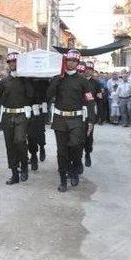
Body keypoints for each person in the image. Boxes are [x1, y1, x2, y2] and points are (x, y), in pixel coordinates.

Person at [46, 50, 95, 192]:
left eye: (74, 61)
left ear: (77, 63)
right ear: (65, 62)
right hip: (60, 119)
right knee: (61, 151)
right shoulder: (58, 78)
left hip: (77, 119)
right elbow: (48, 95)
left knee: (75, 146)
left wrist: (91, 120)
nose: (71, 63)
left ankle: (74, 170)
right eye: (69, 60)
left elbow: (90, 100)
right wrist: (58, 80)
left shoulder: (83, 81)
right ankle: (63, 179)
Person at [0, 52, 34, 185]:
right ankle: (14, 173)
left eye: (15, 62)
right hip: (7, 116)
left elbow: (31, 95)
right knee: (10, 146)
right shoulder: (4, 81)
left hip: (21, 116)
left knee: (20, 142)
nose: (12, 64)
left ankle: (25, 167)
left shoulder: (26, 79)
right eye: (10, 62)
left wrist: (25, 78)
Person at [81, 61, 100, 170]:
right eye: (86, 69)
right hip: (79, 110)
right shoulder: (79, 80)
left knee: (88, 135)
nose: (87, 71)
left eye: (90, 69)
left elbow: (99, 97)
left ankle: (87, 153)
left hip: (90, 110)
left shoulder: (96, 83)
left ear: (92, 71)